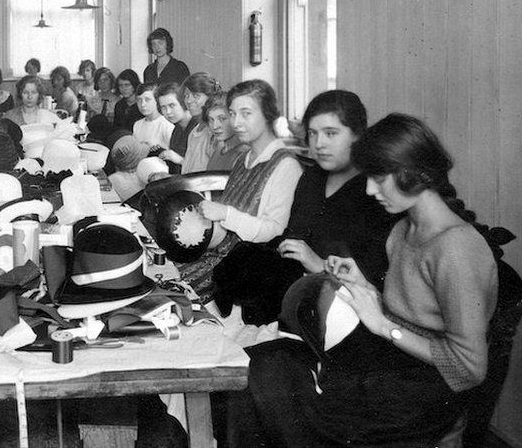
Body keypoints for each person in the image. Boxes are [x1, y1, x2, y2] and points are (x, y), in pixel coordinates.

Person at [228, 113, 498, 448]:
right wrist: (364, 287)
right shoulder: (403, 229)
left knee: (273, 388)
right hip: (389, 366)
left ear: (412, 174)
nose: (370, 189)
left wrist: (384, 325)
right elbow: (414, 312)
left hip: (423, 391)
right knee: (256, 365)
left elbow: (470, 367)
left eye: (378, 178)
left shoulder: (456, 248)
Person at [212, 90, 397, 324]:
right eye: (313, 133)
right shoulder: (312, 178)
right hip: (288, 297)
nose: (319, 144)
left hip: (339, 313)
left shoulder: (376, 193)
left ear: (357, 135)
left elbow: (377, 282)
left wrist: (318, 264)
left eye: (331, 133)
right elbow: (289, 235)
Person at [176, 80, 304, 300]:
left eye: (246, 114)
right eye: (233, 114)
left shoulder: (286, 165)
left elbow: (274, 231)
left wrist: (225, 214)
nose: (236, 123)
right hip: (220, 256)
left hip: (246, 271)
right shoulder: (243, 159)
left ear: (268, 115)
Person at [179, 73, 222, 173]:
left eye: (196, 96)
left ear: (210, 98)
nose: (189, 101)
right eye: (186, 95)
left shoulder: (214, 132)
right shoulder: (194, 131)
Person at [197, 92, 249, 172]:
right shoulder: (219, 149)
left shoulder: (244, 155)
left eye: (222, 119)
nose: (215, 126)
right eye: (211, 120)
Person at [156, 82, 201, 174]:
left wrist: (180, 160)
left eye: (172, 105)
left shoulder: (199, 127)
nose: (168, 112)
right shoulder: (177, 129)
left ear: (183, 102)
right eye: (163, 108)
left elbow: (202, 168)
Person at [132, 81, 174, 152]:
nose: (143, 104)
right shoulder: (137, 125)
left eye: (147, 100)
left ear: (157, 101)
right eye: (139, 100)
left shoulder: (166, 124)